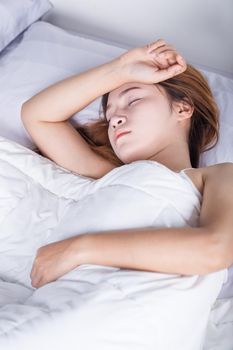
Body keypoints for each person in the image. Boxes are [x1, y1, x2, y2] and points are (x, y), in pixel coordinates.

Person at [21, 39, 233, 289]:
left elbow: (214, 250)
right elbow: (37, 116)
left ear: (183, 108)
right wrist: (121, 68)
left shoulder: (217, 176)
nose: (115, 120)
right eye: (109, 115)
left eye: (133, 101)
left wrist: (78, 249)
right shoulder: (111, 177)